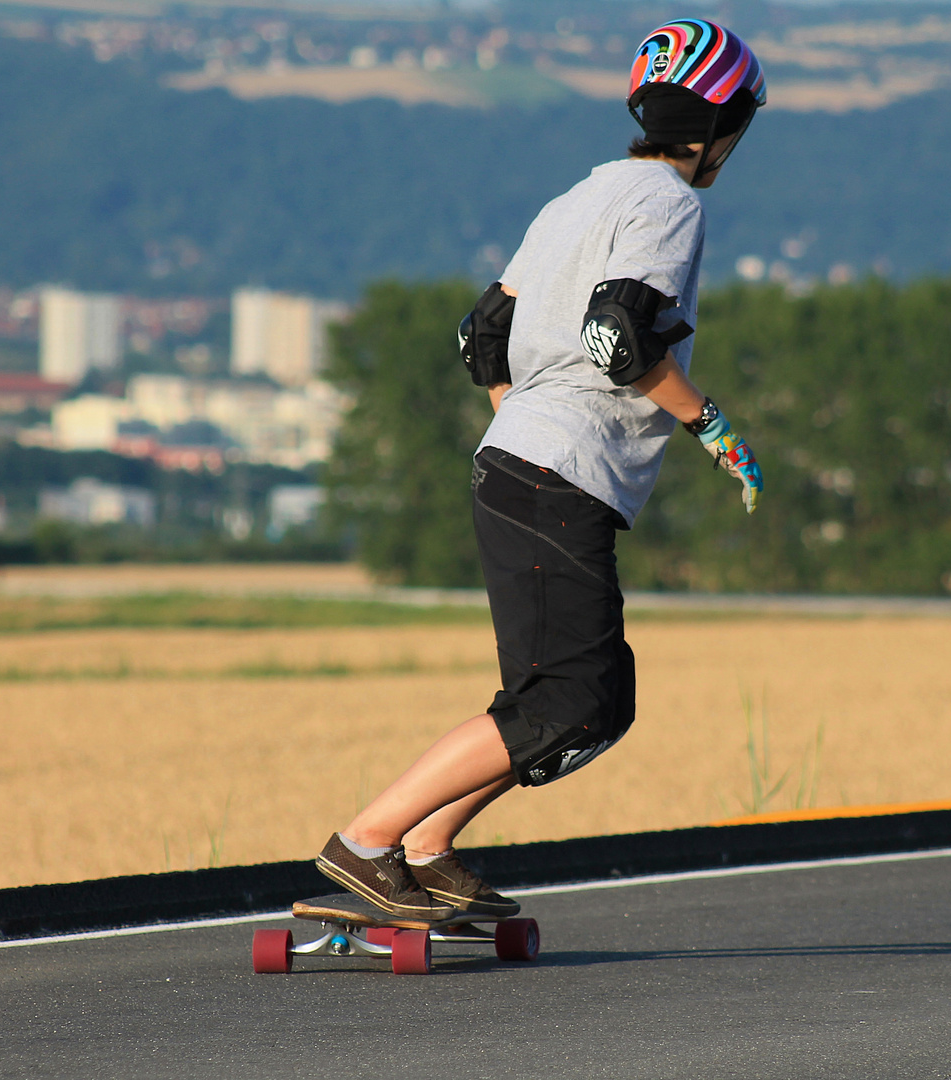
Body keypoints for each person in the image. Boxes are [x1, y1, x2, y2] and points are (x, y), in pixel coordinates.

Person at [314, 19, 768, 919]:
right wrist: (710, 425)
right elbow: (618, 339)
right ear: (721, 126)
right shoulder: (671, 205)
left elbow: (482, 332)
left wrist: (519, 427)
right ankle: (366, 845)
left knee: (592, 700)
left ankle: (428, 846)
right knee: (569, 698)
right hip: (556, 473)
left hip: (526, 463)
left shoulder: (578, 199)